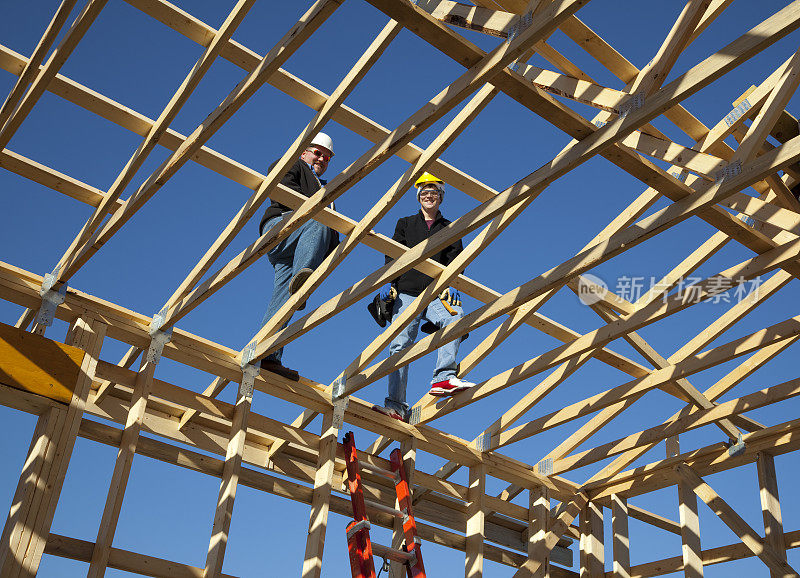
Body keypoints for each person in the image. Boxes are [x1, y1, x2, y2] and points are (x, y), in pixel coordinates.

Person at [372, 173, 475, 421]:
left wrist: (452, 283)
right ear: (419, 197)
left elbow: (457, 260)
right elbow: (393, 253)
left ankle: (443, 377)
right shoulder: (405, 223)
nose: (429, 196)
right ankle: (396, 406)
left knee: (456, 319)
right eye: (425, 192)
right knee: (400, 344)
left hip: (436, 291)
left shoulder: (450, 228)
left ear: (441, 197)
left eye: (434, 192)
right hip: (407, 290)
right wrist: (390, 281)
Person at [258, 133, 339, 381]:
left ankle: (267, 354)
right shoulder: (294, 164)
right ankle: (303, 280)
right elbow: (278, 176)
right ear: (304, 151)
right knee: (318, 216)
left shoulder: (321, 183)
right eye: (317, 153)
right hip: (282, 227)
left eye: (326, 157)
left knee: (282, 299)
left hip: (299, 244)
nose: (321, 159)